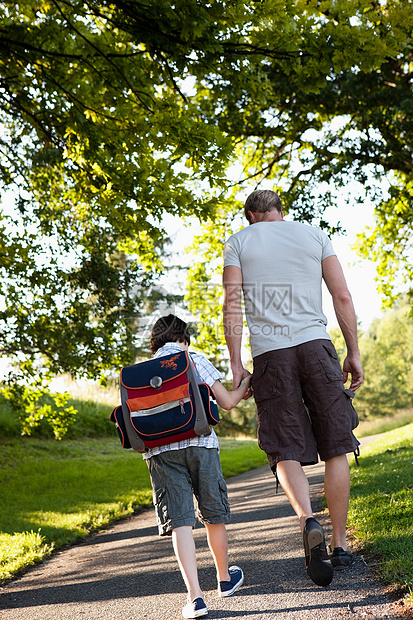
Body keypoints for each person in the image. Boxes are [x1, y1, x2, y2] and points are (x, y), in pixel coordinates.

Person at [222, 189, 363, 588]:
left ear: (251, 215)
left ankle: (307, 519)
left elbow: (232, 305)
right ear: (280, 211)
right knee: (336, 443)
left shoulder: (238, 242)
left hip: (271, 354)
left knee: (284, 446)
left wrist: (236, 363)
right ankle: (339, 545)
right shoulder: (314, 234)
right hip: (316, 347)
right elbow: (342, 296)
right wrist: (353, 352)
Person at [144, 314, 250, 619]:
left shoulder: (143, 371)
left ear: (156, 340)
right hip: (201, 443)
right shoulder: (193, 359)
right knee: (212, 513)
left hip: (160, 452)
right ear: (183, 337)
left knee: (180, 521)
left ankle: (195, 598)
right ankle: (225, 580)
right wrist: (245, 384)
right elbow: (228, 402)